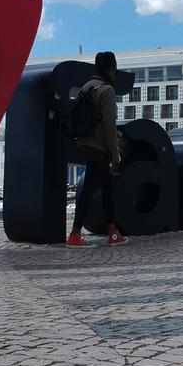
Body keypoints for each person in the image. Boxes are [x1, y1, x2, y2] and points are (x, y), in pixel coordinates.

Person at [66, 51, 127, 248]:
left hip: (84, 142)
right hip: (98, 146)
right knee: (91, 188)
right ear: (111, 69)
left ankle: (113, 232)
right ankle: (75, 234)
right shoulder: (106, 90)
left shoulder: (87, 87)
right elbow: (109, 124)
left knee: (107, 187)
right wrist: (115, 153)